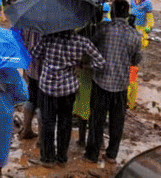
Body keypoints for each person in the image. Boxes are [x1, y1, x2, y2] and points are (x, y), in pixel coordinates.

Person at [30, 28, 105, 166]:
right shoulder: (82, 41)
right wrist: (84, 64)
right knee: (65, 123)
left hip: (48, 87)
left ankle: (48, 158)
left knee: (48, 123)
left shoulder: (47, 38)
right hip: (68, 89)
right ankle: (62, 158)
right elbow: (101, 62)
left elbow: (34, 55)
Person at [88, 0, 142, 163]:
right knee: (117, 122)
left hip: (101, 81)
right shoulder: (135, 35)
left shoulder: (103, 29)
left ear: (112, 12)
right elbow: (135, 60)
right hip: (121, 85)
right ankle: (111, 155)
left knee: (96, 120)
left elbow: (91, 47)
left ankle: (92, 154)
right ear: (126, 14)